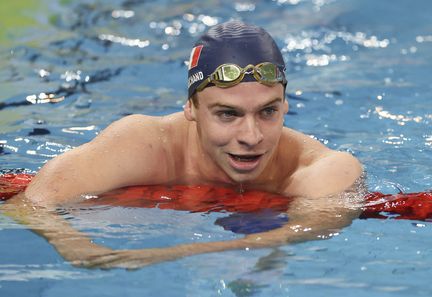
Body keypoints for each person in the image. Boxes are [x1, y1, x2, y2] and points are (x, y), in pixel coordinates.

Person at [2, 21, 364, 269]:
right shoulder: (143, 144)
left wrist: (173, 254)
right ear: (190, 108)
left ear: (285, 107)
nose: (251, 136)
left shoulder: (325, 171)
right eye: (227, 114)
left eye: (268, 111)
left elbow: (296, 235)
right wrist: (80, 249)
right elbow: (31, 204)